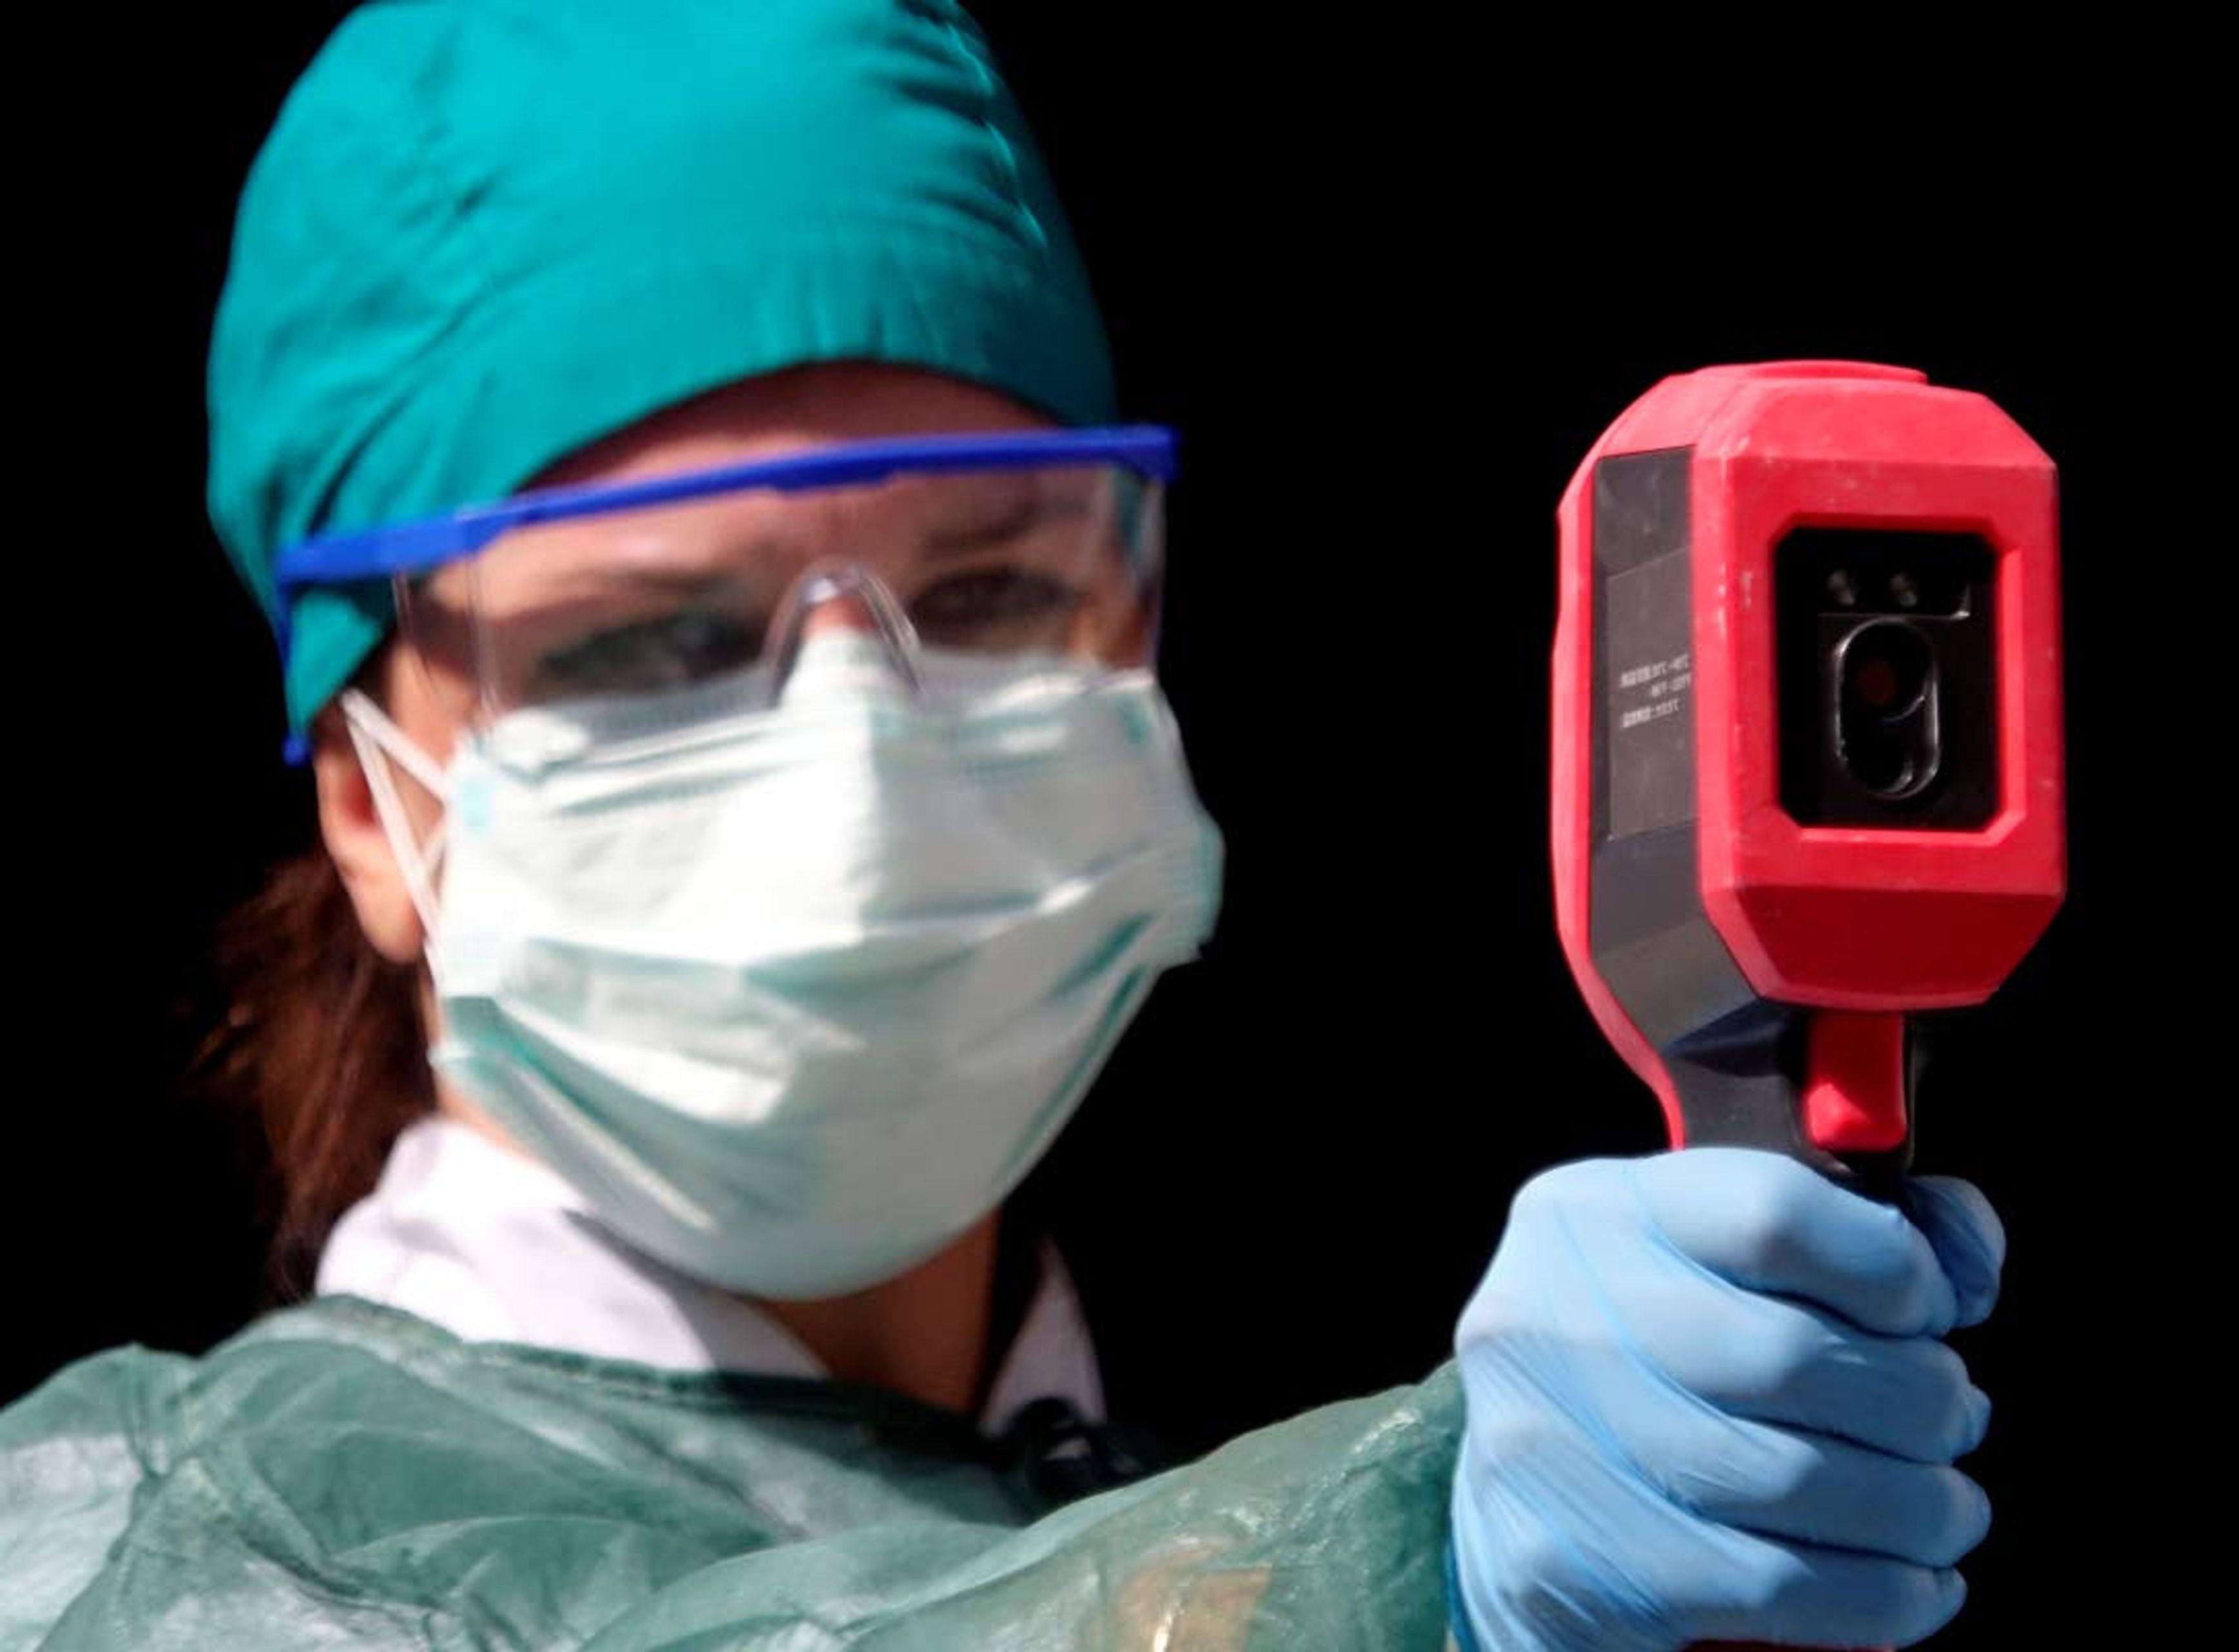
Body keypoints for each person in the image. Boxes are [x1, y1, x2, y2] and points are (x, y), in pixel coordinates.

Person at [0, 4, 2005, 1647]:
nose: (857, 750)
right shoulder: (128, 1544)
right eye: (649, 639)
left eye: (977, 597)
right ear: (371, 799)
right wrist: (1401, 1569)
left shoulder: (1136, 1509)